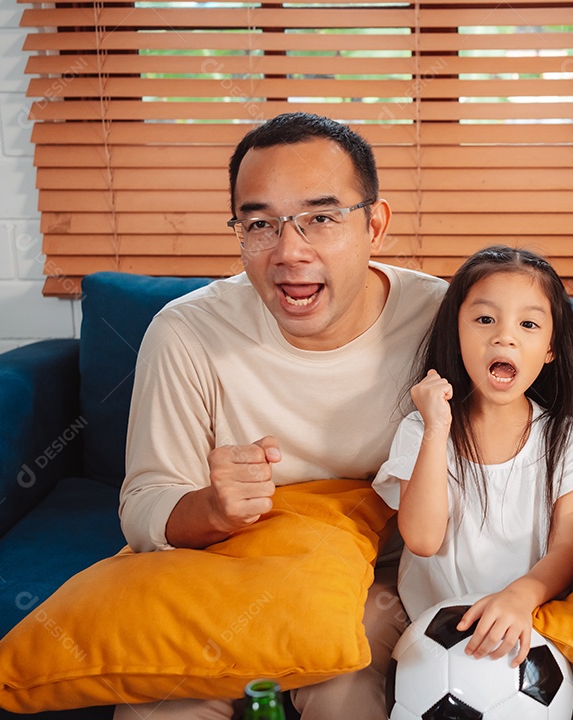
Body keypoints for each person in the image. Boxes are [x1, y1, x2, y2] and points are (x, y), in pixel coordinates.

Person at [117, 112, 447, 720]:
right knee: (163, 704)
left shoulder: (445, 321)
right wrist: (210, 509)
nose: (289, 252)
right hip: (224, 571)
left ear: (375, 224)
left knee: (347, 668)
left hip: (367, 580)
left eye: (321, 218)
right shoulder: (186, 331)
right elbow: (144, 504)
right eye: (261, 224)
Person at [373, 246, 573, 665]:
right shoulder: (421, 430)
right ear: (457, 333)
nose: (505, 336)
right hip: (431, 634)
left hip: (527, 625)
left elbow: (565, 549)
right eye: (485, 319)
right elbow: (423, 540)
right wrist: (436, 428)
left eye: (528, 324)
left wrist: (521, 595)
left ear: (551, 348)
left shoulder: (570, 440)